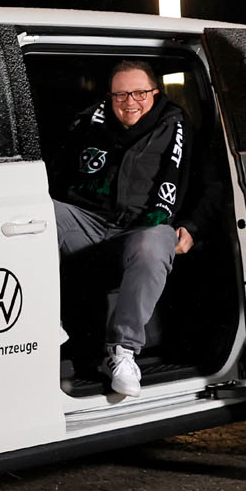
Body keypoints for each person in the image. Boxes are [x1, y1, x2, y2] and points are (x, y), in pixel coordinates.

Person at [51, 60, 202, 398]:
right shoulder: (90, 122)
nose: (129, 102)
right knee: (40, 213)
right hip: (90, 223)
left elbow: (208, 182)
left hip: (143, 227)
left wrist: (192, 226)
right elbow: (59, 174)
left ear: (155, 93)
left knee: (154, 241)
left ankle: (123, 353)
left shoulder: (175, 125)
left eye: (138, 93)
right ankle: (45, 318)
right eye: (120, 95)